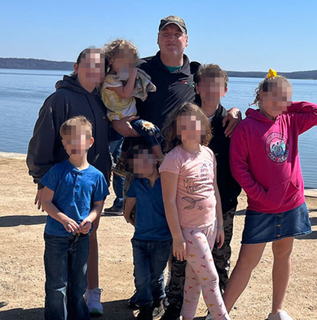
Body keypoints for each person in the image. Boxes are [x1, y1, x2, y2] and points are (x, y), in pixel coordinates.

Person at [109, 16, 242, 320]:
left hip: (186, 167)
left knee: (180, 234)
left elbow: (212, 97)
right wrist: (114, 121)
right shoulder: (139, 69)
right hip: (145, 166)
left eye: (177, 33)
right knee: (151, 232)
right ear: (157, 39)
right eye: (165, 33)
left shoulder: (193, 73)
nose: (171, 38)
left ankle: (180, 299)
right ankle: (150, 294)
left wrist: (237, 111)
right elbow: (113, 98)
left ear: (186, 40)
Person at [224, 70, 317, 320]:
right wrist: (259, 195)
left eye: (285, 99)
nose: (280, 103)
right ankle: (219, 312)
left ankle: (276, 310)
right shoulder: (246, 128)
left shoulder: (290, 121)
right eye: (275, 97)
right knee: (247, 262)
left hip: (292, 203)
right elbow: (238, 167)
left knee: (283, 255)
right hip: (261, 207)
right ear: (261, 95)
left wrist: (288, 104)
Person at [26, 47, 111, 315]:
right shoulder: (60, 98)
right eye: (88, 65)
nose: (93, 71)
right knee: (60, 251)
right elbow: (40, 143)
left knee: (84, 242)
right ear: (76, 67)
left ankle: (83, 303)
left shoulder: (98, 100)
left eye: (100, 67)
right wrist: (41, 181)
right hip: (63, 188)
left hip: (91, 186)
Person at [160, 102, 230, 320]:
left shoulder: (208, 154)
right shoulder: (173, 159)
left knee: (194, 282)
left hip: (210, 228)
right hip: (189, 231)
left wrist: (219, 224)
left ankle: (187, 317)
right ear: (177, 130)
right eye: (184, 126)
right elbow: (169, 201)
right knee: (211, 278)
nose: (189, 130)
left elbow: (215, 190)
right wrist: (176, 237)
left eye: (194, 125)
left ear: (203, 127)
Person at [39, 116, 109, 320]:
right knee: (56, 285)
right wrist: (62, 219)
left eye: (78, 139)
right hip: (56, 237)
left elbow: (98, 204)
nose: (73, 145)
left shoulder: (97, 176)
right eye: (68, 140)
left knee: (79, 284)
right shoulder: (57, 171)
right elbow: (46, 202)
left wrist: (90, 219)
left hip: (82, 238)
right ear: (63, 144)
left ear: (90, 142)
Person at [194, 64, 241, 298]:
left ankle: (219, 303)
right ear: (197, 87)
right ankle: (177, 302)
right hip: (190, 201)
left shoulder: (233, 123)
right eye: (205, 84)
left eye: (217, 85)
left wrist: (238, 112)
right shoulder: (185, 119)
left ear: (224, 90)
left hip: (225, 199)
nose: (211, 89)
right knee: (186, 256)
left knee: (220, 252)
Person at [123, 144, 172, 320]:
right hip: (140, 239)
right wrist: (129, 218)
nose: (142, 166)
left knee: (155, 275)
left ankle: (158, 300)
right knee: (141, 275)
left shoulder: (167, 180)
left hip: (163, 239)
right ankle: (145, 308)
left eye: (145, 160)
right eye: (137, 165)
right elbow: (129, 204)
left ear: (154, 158)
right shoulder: (137, 183)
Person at [101, 39, 163, 171]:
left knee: (120, 147)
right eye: (122, 61)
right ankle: (161, 158)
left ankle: (120, 164)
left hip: (124, 116)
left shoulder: (117, 76)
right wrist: (133, 75)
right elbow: (126, 94)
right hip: (119, 117)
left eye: (129, 63)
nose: (126, 66)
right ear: (111, 60)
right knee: (149, 130)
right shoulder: (110, 79)